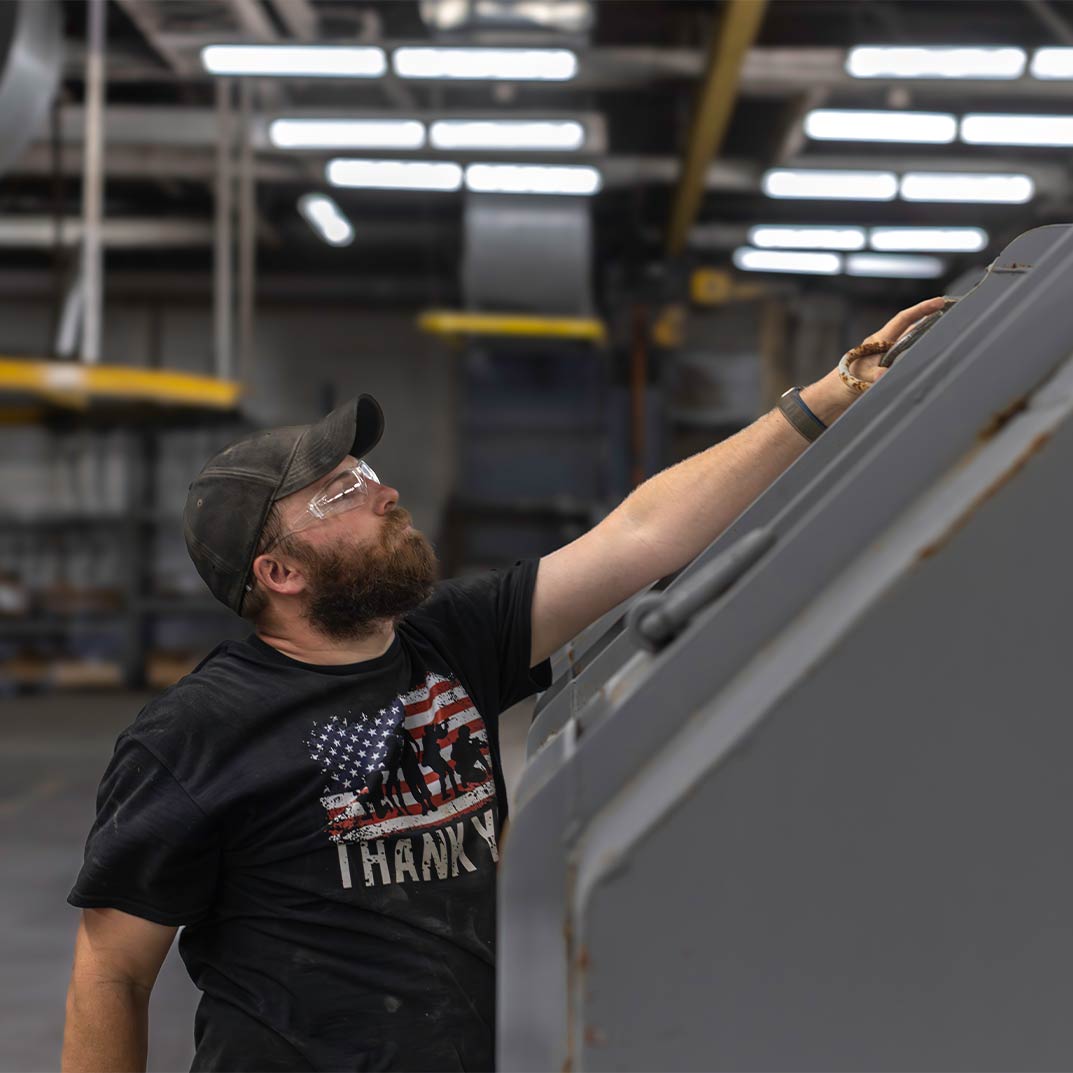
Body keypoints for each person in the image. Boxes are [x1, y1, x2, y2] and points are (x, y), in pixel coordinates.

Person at [61, 297, 945, 1072]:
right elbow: (112, 969)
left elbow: (638, 534)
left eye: (365, 476)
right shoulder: (195, 734)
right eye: (339, 495)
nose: (384, 495)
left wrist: (827, 396)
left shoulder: (447, 639)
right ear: (279, 573)